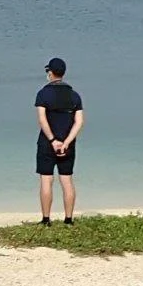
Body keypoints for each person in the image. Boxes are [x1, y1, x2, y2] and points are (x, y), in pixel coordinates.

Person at [35, 57, 84, 226]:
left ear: (50, 73)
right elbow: (79, 122)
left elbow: (42, 119)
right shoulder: (74, 95)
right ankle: (68, 219)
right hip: (68, 145)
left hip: (47, 144)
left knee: (46, 180)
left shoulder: (43, 93)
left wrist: (53, 140)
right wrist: (67, 141)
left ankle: (46, 219)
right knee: (67, 180)